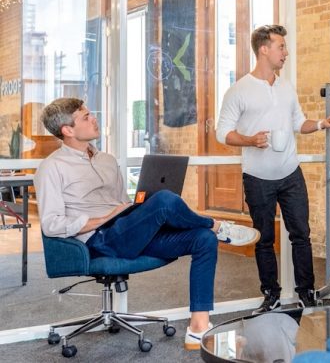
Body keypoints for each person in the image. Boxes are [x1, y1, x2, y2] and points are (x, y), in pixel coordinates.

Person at [34, 97, 260, 351]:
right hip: (100, 240)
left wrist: (134, 209)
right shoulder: (51, 168)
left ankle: (198, 328)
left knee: (202, 239)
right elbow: (51, 224)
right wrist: (103, 218)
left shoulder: (106, 160)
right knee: (164, 201)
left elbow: (122, 203)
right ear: (67, 130)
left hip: (127, 231)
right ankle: (216, 226)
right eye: (86, 117)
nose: (94, 118)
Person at [216, 24, 330, 313]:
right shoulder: (239, 90)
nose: (285, 52)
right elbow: (222, 133)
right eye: (281, 47)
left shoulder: (286, 87)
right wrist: (250, 139)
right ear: (264, 48)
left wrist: (324, 123)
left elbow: (299, 123)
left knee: (301, 234)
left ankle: (306, 292)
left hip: (290, 174)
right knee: (264, 238)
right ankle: (271, 294)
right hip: (258, 178)